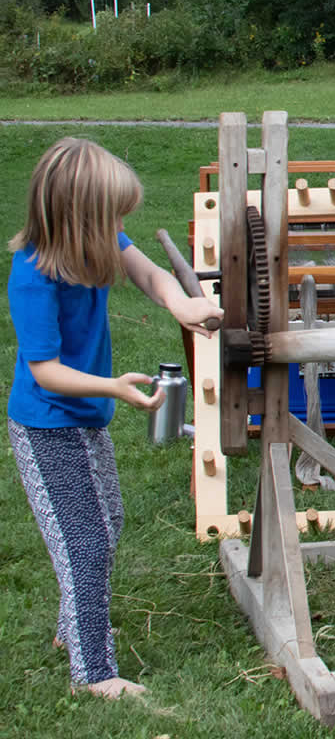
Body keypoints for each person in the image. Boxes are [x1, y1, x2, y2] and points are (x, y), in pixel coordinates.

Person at [6, 137, 224, 698]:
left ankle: (71, 631)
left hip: (85, 418)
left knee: (108, 523)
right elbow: (46, 370)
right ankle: (93, 673)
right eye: (112, 215)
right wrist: (115, 387)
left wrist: (184, 305)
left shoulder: (100, 241)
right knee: (83, 540)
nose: (120, 226)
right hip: (47, 425)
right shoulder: (33, 275)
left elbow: (151, 276)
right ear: (76, 215)